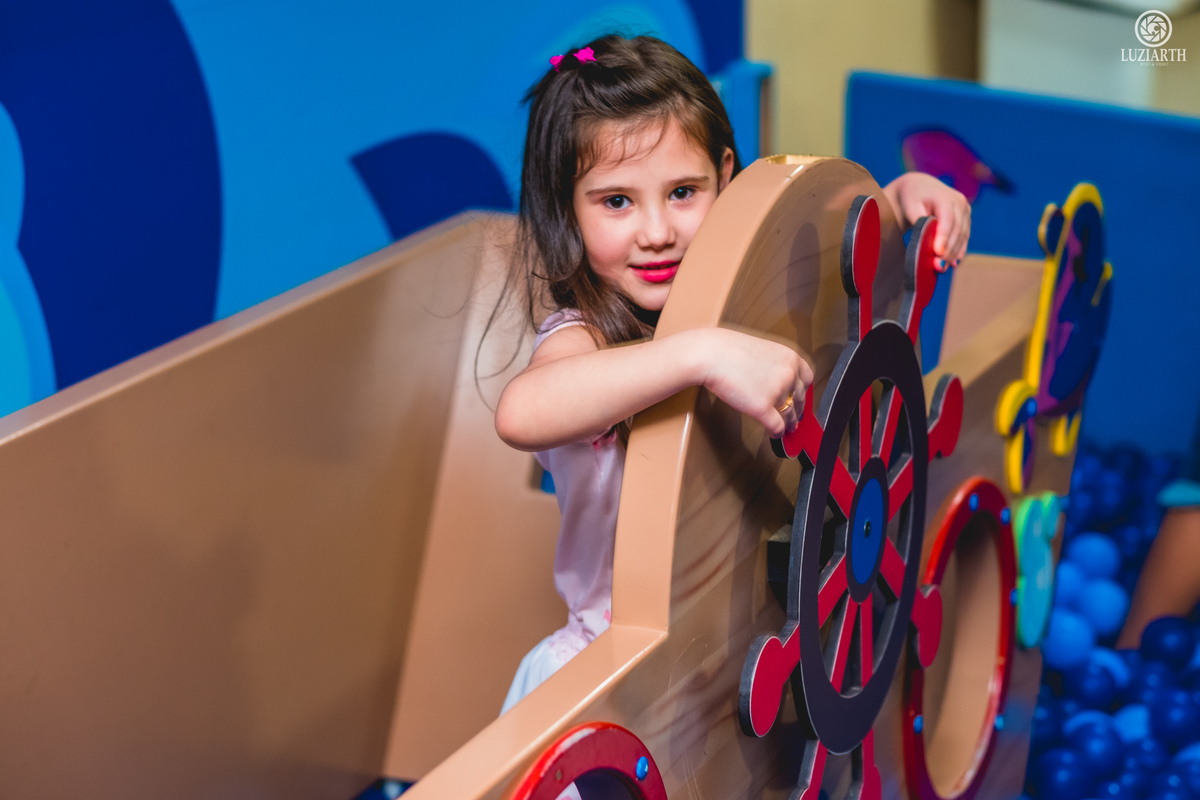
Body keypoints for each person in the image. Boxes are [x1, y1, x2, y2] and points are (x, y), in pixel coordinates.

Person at [493, 34, 971, 717]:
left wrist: (904, 197)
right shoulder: (585, 337)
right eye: (616, 202)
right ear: (565, 206)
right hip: (617, 680)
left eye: (683, 192)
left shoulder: (753, 298)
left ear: (725, 177)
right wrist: (701, 354)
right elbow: (523, 410)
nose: (657, 231)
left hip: (748, 666)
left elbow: (843, 259)